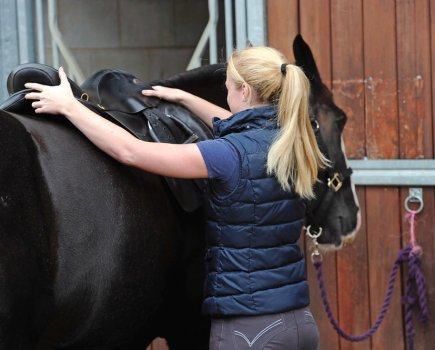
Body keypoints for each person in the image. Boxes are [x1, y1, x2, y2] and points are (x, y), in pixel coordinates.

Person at [25, 45, 327, 350]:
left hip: (249, 332)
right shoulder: (292, 141)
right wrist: (183, 99)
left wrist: (69, 107)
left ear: (245, 91)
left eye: (228, 90)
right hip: (298, 325)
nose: (226, 96)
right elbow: (239, 126)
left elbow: (130, 151)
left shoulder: (227, 155)